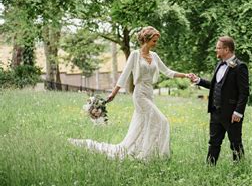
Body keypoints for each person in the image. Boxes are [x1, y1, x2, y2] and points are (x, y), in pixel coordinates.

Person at [69, 26, 191, 160]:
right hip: (139, 95)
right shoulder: (135, 54)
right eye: (154, 41)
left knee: (145, 124)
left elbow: (168, 72)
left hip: (150, 93)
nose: (156, 44)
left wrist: (185, 75)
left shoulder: (154, 56)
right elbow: (124, 75)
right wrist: (113, 94)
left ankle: (145, 152)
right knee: (162, 120)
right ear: (145, 39)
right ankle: (156, 155)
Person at [189, 36, 249, 165]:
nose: (216, 50)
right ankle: (210, 168)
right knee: (214, 142)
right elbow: (216, 85)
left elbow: (244, 93)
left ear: (226, 49)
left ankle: (240, 169)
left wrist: (238, 112)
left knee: (235, 143)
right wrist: (199, 81)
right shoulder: (219, 64)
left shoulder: (240, 67)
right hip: (215, 111)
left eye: (218, 48)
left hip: (232, 114)